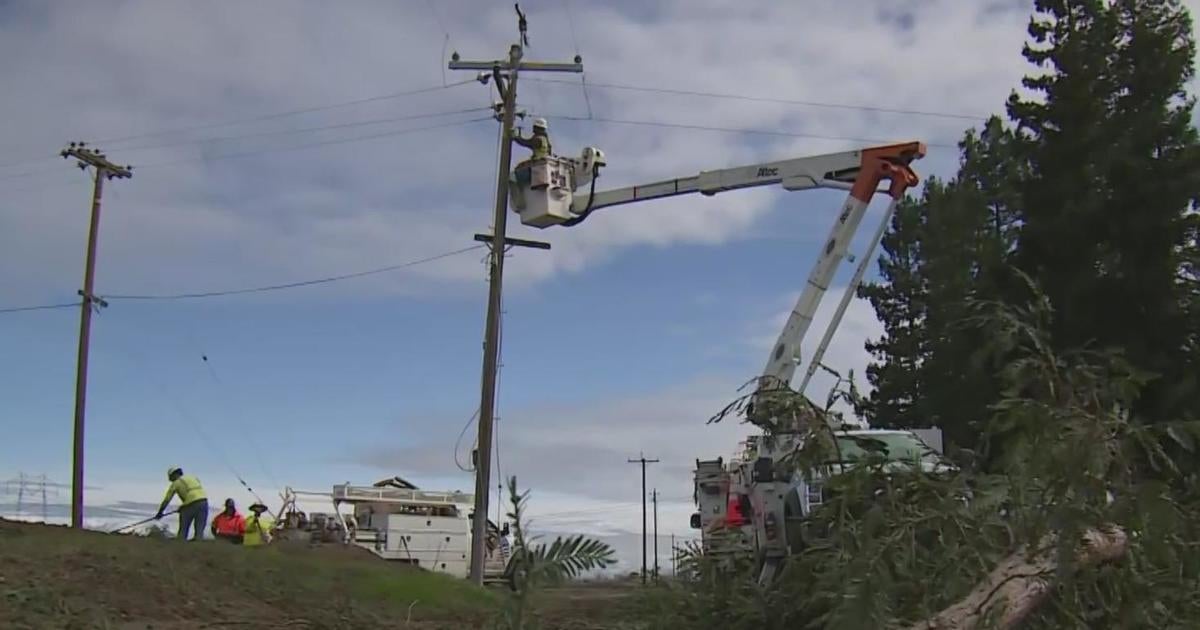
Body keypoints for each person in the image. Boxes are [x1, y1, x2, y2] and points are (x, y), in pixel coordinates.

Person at [156, 466, 208, 541]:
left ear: (174, 474)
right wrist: (183, 507)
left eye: (170, 477)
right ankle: (198, 543)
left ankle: (181, 541)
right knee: (199, 530)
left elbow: (167, 500)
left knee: (183, 529)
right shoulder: (192, 477)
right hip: (203, 502)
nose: (170, 480)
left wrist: (160, 512)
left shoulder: (176, 483)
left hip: (190, 503)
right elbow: (195, 492)